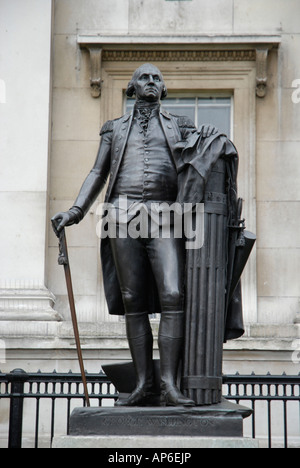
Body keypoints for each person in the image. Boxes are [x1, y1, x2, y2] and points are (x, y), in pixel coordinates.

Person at [52, 63, 217, 407]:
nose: (152, 82)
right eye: (145, 77)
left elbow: (201, 162)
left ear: (164, 88)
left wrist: (216, 142)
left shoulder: (181, 125)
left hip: (166, 218)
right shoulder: (114, 129)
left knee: (173, 294)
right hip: (121, 218)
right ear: (131, 87)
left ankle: (170, 384)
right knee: (133, 301)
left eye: (157, 78)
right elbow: (98, 172)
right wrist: (75, 211)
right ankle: (144, 383)